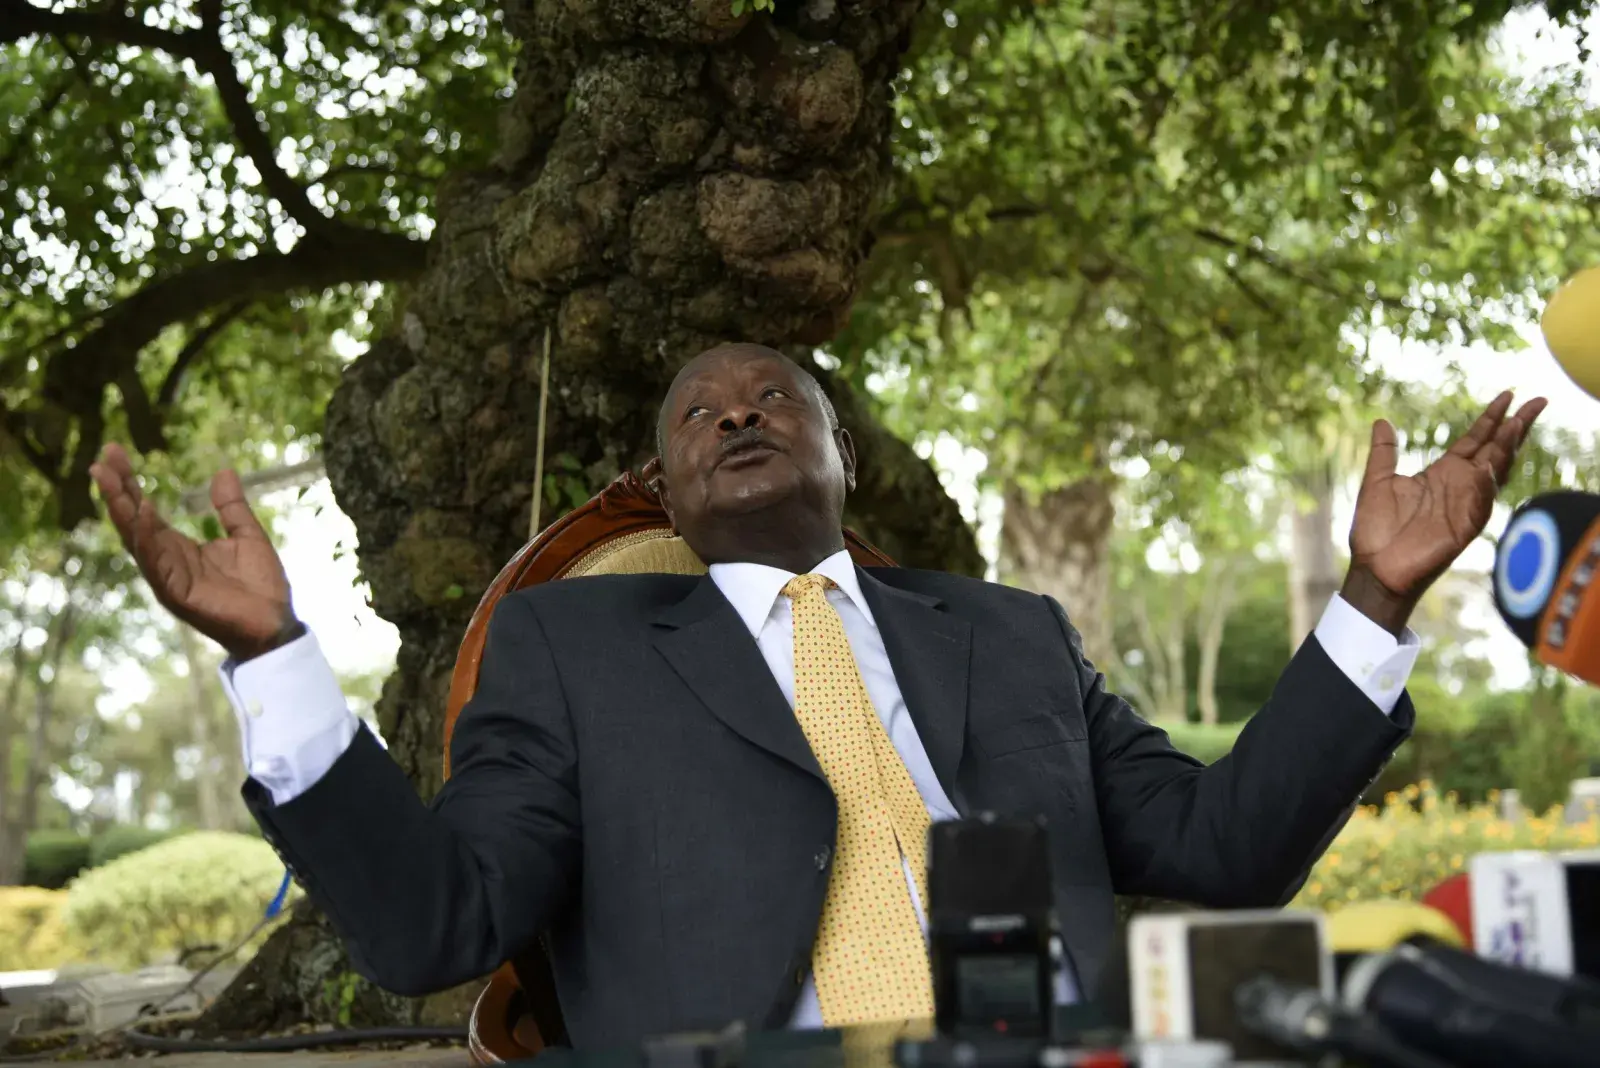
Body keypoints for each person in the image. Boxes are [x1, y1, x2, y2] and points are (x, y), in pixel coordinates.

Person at [91, 343, 1545, 1047]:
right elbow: (433, 926)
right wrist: (274, 657)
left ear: (844, 460)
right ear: (660, 486)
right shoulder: (574, 653)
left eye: (777, 396)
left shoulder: (1015, 633)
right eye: (700, 409)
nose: (738, 409)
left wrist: (1375, 598)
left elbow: (1225, 850)